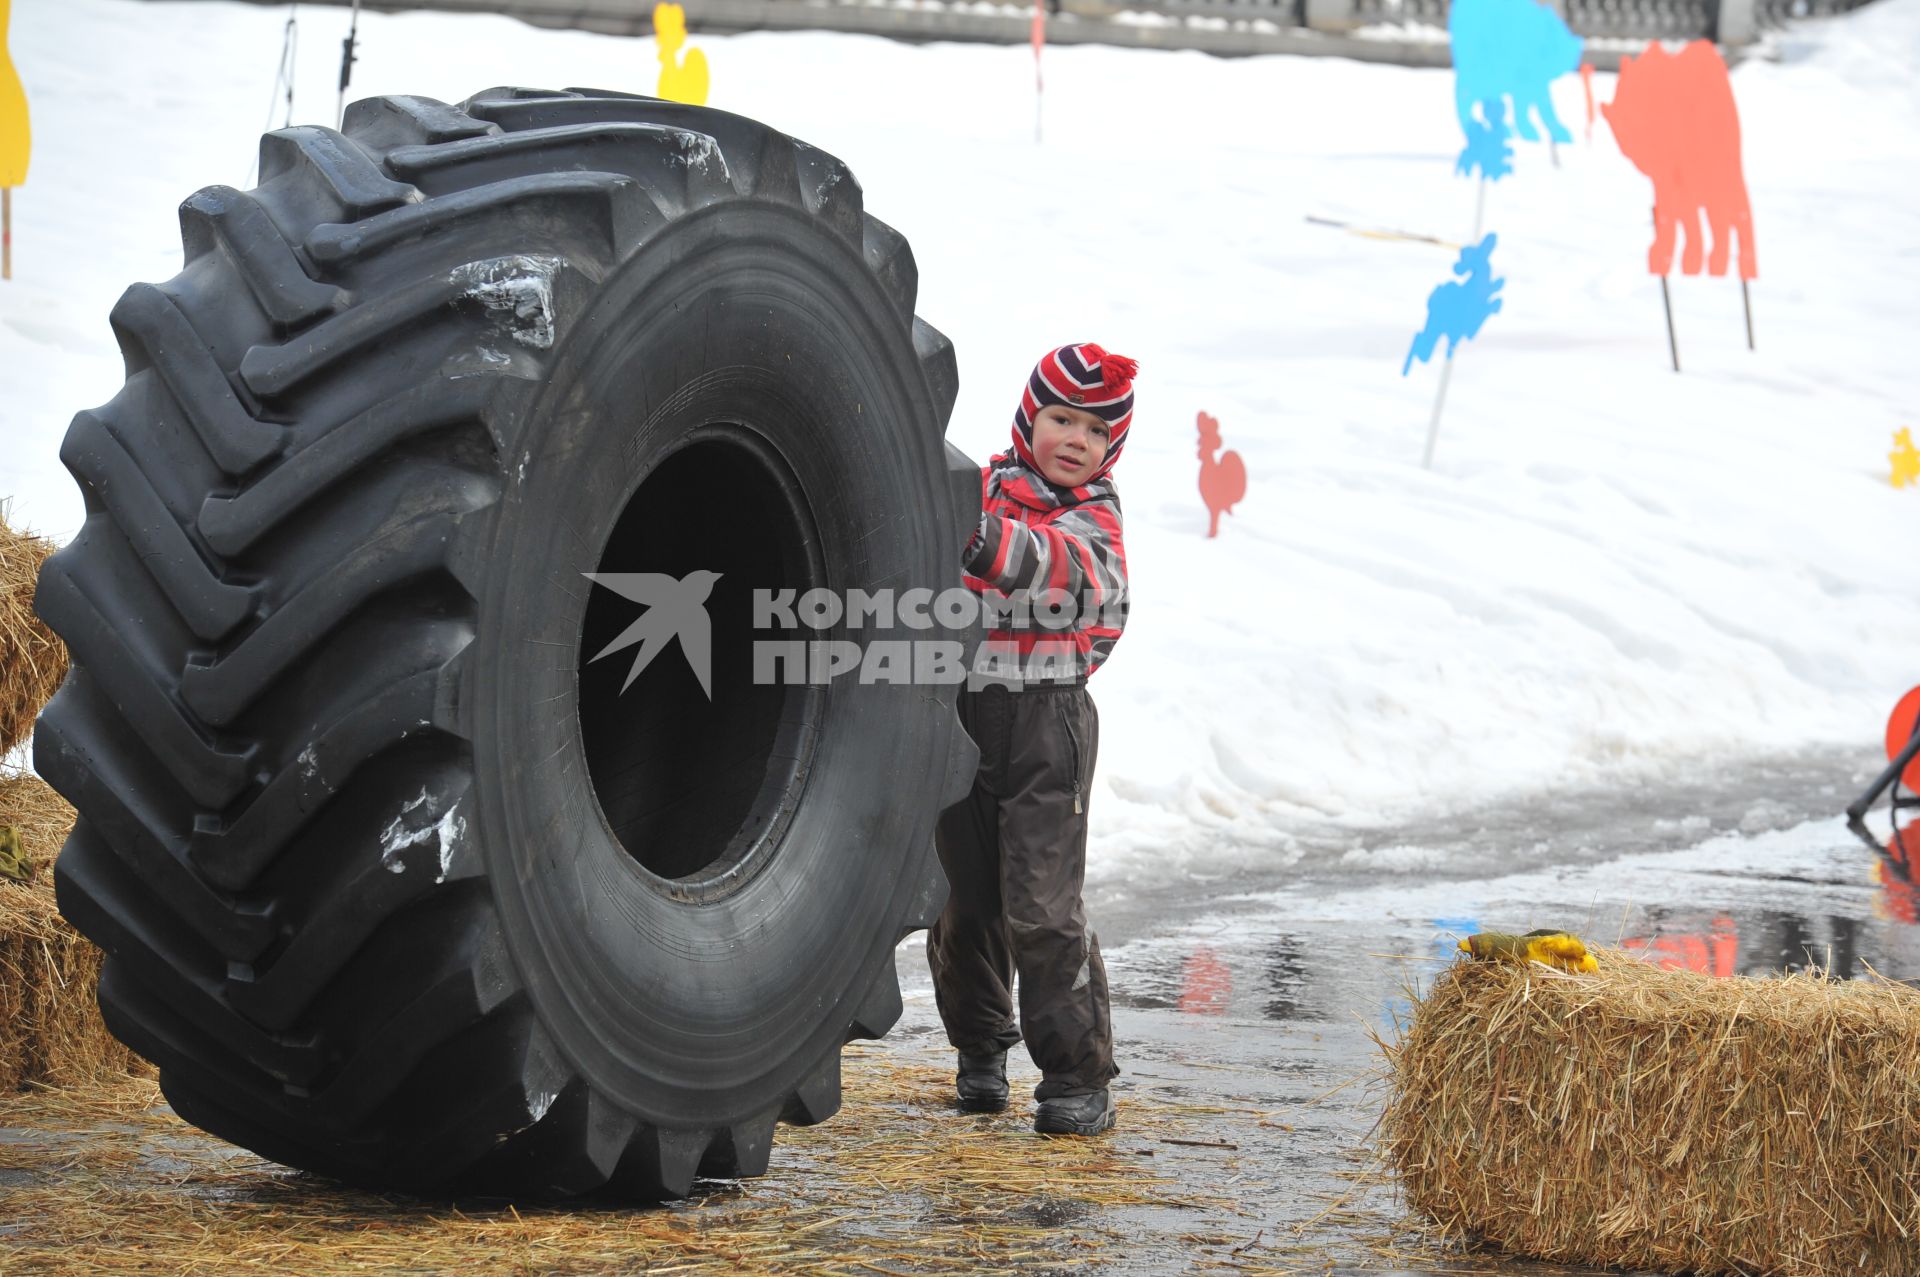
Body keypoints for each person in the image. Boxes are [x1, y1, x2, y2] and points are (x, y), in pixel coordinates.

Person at [928, 342, 1135, 1136]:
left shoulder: (1095, 519)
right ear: (1028, 418)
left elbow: (1072, 571)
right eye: (1060, 418)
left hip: (1048, 724)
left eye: (1093, 428)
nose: (1074, 438)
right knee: (965, 898)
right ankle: (981, 1047)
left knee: (1041, 906)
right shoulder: (979, 490)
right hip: (965, 710)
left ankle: (1079, 1074)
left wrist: (986, 545)